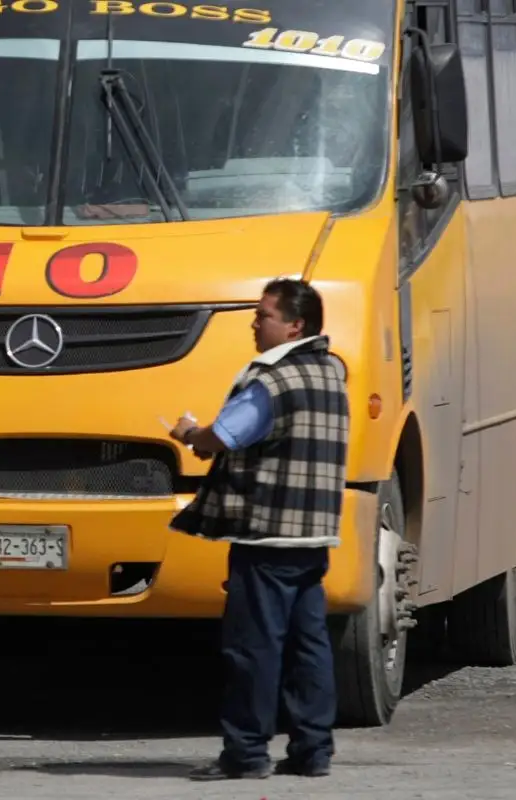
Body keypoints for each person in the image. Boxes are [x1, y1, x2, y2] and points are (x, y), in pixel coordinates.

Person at [169, 278, 349, 781]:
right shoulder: (330, 372)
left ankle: (246, 753)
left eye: (264, 315)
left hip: (266, 532)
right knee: (308, 644)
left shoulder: (272, 380)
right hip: (313, 534)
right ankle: (313, 750)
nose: (255, 322)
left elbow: (224, 435)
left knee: (253, 646)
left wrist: (189, 434)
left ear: (295, 324)